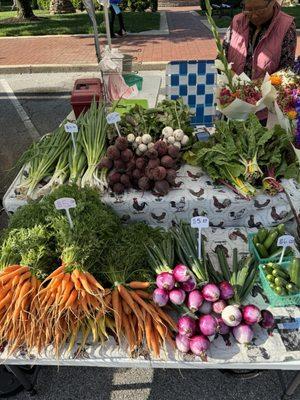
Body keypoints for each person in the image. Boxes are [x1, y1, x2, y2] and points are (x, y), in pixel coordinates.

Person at [223, 0, 297, 79]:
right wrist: (236, 82)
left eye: (260, 10)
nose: (254, 15)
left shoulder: (286, 26)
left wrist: (255, 88)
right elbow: (221, 58)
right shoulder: (237, 21)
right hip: (234, 89)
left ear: (272, 2)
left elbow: (286, 70)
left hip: (268, 90)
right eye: (249, 10)